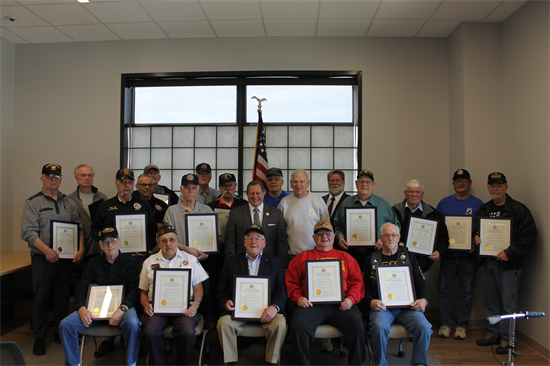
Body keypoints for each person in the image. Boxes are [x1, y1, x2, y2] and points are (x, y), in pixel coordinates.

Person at [21, 163, 84, 355]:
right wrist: (46, 250)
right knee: (41, 298)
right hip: (42, 258)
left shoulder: (69, 202)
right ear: (42, 178)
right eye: (49, 176)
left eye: (56, 176)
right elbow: (28, 233)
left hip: (65, 260)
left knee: (62, 297)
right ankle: (39, 338)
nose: (53, 179)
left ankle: (59, 332)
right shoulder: (33, 203)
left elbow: (79, 227)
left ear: (61, 179)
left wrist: (80, 249)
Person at [285, 220, 366, 366]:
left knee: (357, 326)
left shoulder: (347, 258)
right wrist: (298, 299)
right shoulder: (301, 258)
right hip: (311, 306)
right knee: (298, 326)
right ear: (314, 237)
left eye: (328, 233)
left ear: (334, 236)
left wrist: (351, 300)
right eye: (320, 233)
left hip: (342, 306)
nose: (324, 236)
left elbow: (357, 283)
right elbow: (291, 284)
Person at [474, 172, 537, 354]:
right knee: (491, 301)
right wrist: (476, 239)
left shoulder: (519, 209)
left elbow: (529, 237)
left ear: (506, 187)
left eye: (499, 185)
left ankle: (507, 340)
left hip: (509, 265)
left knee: (508, 304)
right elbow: (477, 232)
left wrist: (509, 253)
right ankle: (493, 333)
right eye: (492, 186)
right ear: (488, 188)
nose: (495, 189)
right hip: (488, 263)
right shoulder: (485, 209)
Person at [59, 227, 141, 366]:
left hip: (123, 309)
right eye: (106, 242)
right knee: (65, 325)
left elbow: (134, 291)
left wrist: (122, 308)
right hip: (95, 311)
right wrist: (82, 308)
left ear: (119, 241)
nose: (110, 245)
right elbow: (81, 290)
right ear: (100, 245)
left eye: (113, 241)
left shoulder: (131, 263)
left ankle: (131, 363)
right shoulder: (93, 263)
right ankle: (74, 364)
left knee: (133, 323)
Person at [217, 224, 287, 366]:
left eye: (257, 238)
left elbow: (281, 290)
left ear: (264, 243)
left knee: (280, 323)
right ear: (244, 243)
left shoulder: (276, 263)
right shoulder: (231, 262)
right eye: (249, 238)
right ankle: (231, 362)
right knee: (223, 324)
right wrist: (225, 302)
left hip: (266, 312)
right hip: (239, 312)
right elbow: (221, 289)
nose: (253, 241)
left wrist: (275, 307)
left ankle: (271, 362)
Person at [139, 223, 209, 366]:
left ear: (177, 242)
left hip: (184, 308)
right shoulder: (149, 262)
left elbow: (199, 288)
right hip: (156, 309)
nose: (168, 244)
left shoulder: (190, 260)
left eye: (172, 240)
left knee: (187, 332)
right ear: (158, 243)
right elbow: (143, 291)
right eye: (164, 240)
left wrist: (196, 304)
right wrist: (146, 305)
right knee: (150, 332)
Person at [364, 223, 432, 366]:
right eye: (386, 235)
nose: (390, 238)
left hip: (408, 308)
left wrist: (423, 300)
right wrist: (371, 302)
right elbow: (364, 289)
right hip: (382, 309)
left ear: (399, 237)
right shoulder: (371, 259)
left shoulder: (409, 257)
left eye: (394, 235)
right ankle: (380, 364)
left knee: (424, 327)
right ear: (380, 238)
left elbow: (421, 283)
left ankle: (419, 363)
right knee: (379, 327)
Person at [436, 169, 484, 340]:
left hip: (469, 257)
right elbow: (438, 229)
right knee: (444, 291)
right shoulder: (444, 203)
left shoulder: (478, 204)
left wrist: (475, 245)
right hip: (448, 256)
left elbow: (483, 230)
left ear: (469, 183)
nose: (461, 183)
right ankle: (445, 324)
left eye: (464, 180)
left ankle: (462, 325)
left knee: (467, 291)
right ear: (453, 183)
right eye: (457, 180)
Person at [334, 169, 400, 266]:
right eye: (361, 181)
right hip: (351, 253)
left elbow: (396, 227)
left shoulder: (383, 204)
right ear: (356, 184)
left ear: (373, 185)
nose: (364, 184)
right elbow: (337, 226)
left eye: (368, 182)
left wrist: (383, 240)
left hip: (377, 253)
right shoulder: (346, 203)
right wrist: (340, 236)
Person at [91, 168, 158, 256]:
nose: (127, 185)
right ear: (116, 183)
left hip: (137, 256)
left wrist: (147, 248)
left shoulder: (144, 205)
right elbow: (95, 230)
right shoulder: (105, 206)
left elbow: (153, 230)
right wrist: (106, 243)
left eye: (130, 182)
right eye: (123, 182)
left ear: (134, 184)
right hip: (112, 256)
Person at [392, 179, 449, 276]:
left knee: (421, 290)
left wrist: (439, 251)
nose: (414, 195)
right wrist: (396, 242)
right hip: (398, 261)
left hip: (423, 264)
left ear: (422, 194)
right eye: (411, 191)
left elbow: (443, 237)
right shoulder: (394, 211)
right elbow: (387, 233)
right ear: (405, 193)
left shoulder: (433, 214)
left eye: (418, 192)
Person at [225, 181, 288, 262]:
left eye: (258, 193)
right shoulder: (235, 213)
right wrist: (231, 264)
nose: (255, 196)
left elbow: (282, 243)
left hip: (269, 263)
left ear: (264, 193)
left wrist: (282, 265)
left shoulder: (276, 214)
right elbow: (230, 243)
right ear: (247, 194)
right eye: (252, 193)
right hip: (242, 263)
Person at [278, 169, 329, 261]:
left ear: (308, 183)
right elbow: (279, 232)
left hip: (315, 254)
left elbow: (327, 229)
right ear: (290, 183)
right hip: (292, 256)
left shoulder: (318, 201)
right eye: (295, 181)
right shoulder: (284, 202)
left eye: (302, 181)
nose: (298, 185)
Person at [67, 164, 108, 260]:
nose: (87, 178)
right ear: (76, 178)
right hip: (80, 248)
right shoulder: (69, 200)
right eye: (83, 175)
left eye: (89, 175)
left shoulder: (102, 197)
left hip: (100, 248)